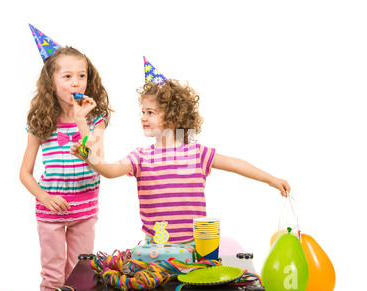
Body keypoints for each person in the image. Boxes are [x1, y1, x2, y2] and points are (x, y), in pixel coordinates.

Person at [70, 58, 289, 245]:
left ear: (174, 117)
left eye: (150, 112)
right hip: (155, 245)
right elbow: (109, 170)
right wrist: (88, 151)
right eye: (143, 111)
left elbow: (236, 164)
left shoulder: (197, 153)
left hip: (194, 244)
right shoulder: (141, 157)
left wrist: (270, 179)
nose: (143, 117)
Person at [20, 25, 112, 291]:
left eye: (81, 76)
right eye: (68, 76)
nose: (76, 82)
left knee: (81, 274)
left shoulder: (96, 120)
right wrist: (44, 197)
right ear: (51, 81)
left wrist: (82, 120)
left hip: (84, 208)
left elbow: (95, 158)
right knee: (52, 273)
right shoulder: (40, 122)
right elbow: (25, 173)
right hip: (51, 210)